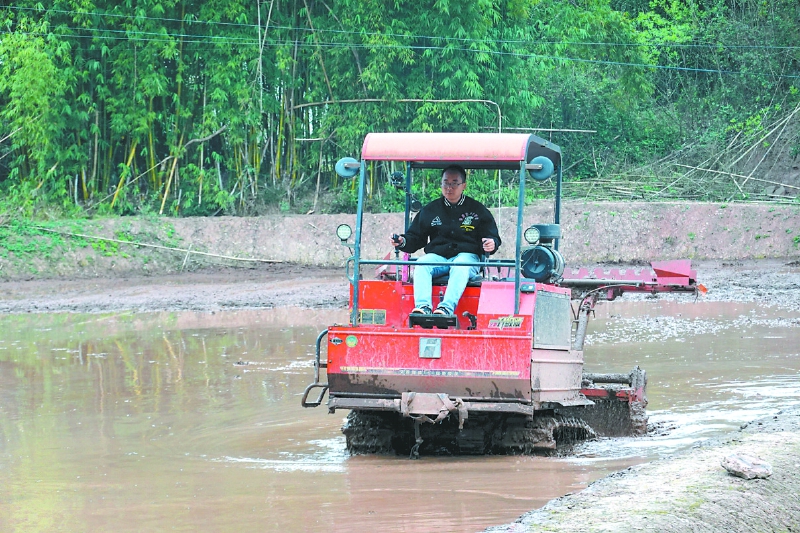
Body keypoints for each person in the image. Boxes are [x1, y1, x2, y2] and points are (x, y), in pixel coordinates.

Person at [390, 165, 501, 316]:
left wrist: (492, 243)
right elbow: (415, 237)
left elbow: (492, 237)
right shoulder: (430, 210)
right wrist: (402, 241)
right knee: (422, 264)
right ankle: (423, 307)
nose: (449, 187)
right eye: (446, 183)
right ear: (441, 184)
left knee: (460, 265)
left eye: (454, 183)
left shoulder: (477, 210)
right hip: (439, 257)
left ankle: (446, 309)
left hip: (467, 257)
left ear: (463, 186)